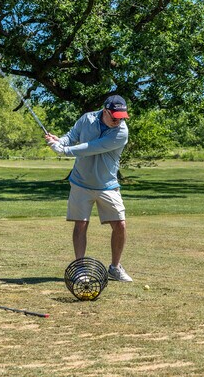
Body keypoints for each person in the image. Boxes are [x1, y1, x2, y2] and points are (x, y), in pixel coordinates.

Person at [45, 95, 132, 282]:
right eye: (115, 116)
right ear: (105, 111)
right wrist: (60, 142)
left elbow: (92, 147)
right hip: (81, 182)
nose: (118, 120)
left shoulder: (121, 132)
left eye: (122, 116)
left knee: (120, 224)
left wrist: (64, 151)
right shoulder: (87, 119)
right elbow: (72, 136)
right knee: (81, 224)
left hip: (107, 185)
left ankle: (115, 268)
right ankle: (79, 268)